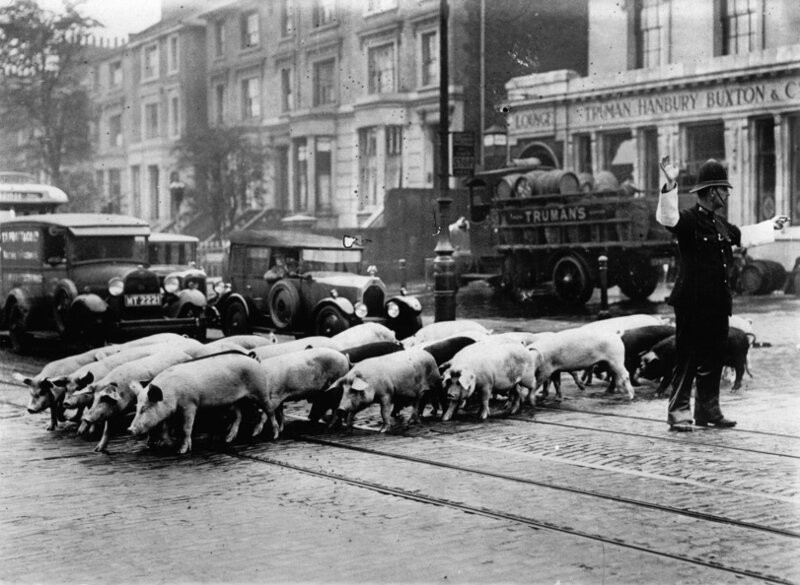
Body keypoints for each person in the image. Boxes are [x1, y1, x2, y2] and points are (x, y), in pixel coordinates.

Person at [656, 156, 789, 432]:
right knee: (688, 355)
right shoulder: (689, 220)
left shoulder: (719, 224)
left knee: (714, 355)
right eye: (724, 189)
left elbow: (742, 235)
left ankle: (708, 410)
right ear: (711, 191)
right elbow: (668, 218)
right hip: (692, 302)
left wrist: (771, 225)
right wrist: (670, 184)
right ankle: (679, 411)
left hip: (717, 303)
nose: (728, 194)